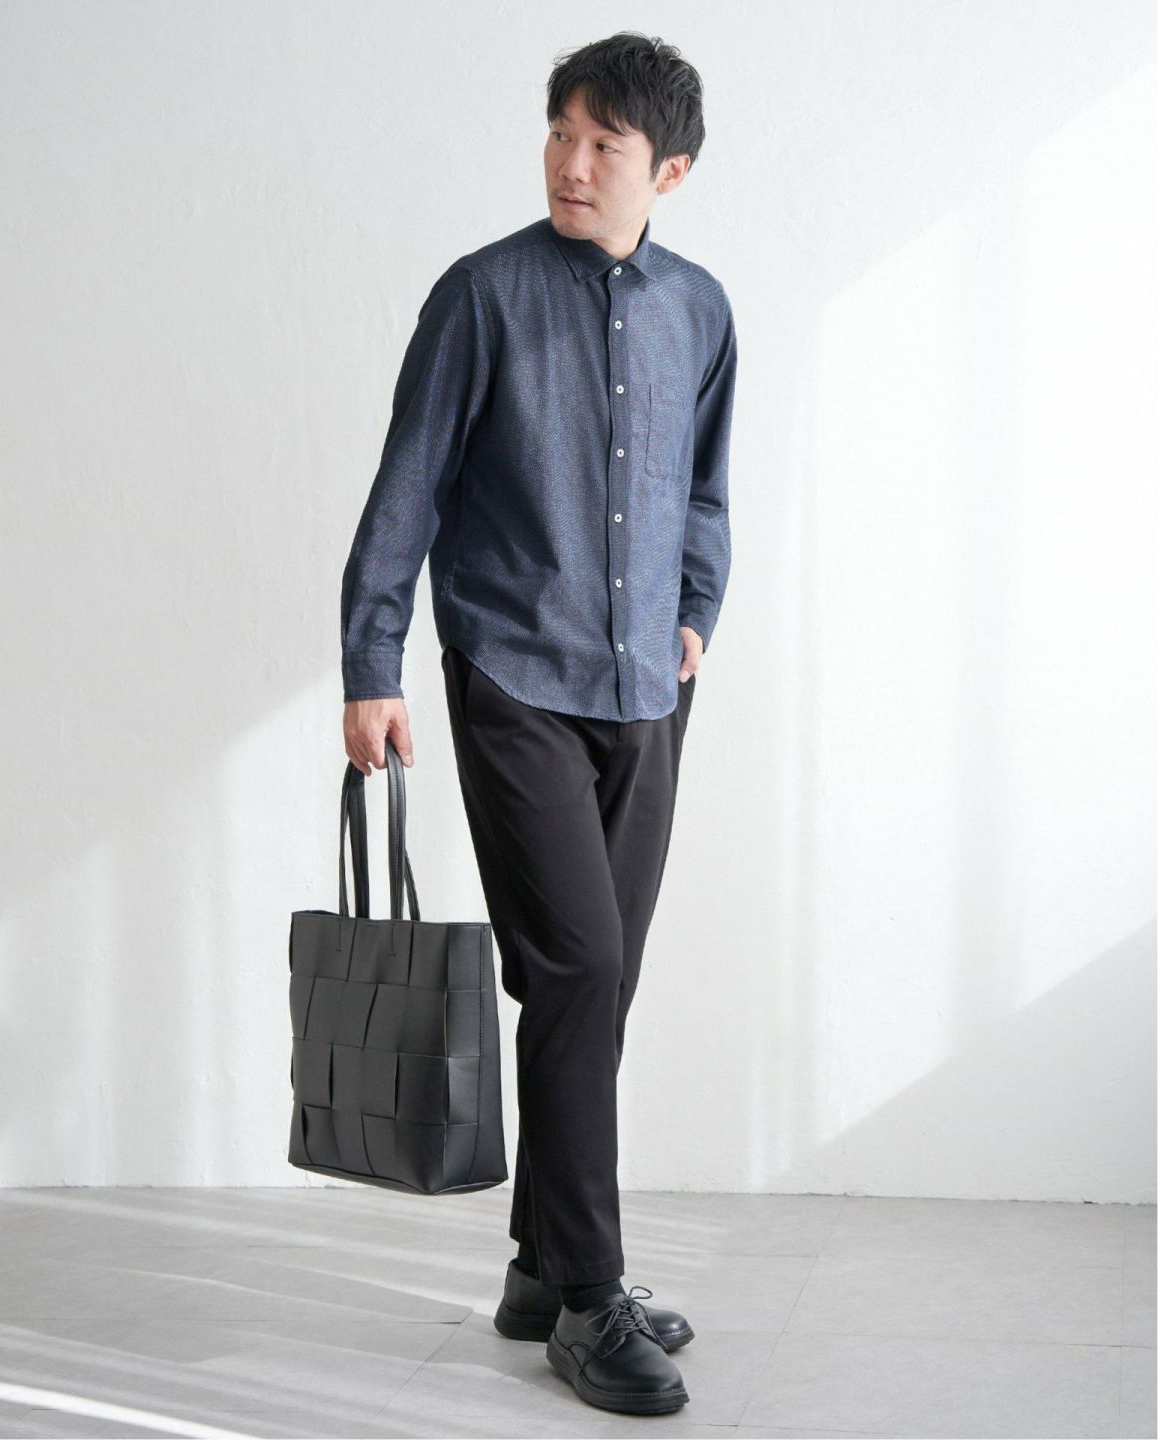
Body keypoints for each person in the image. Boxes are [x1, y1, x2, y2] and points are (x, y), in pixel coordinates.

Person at [339, 30, 736, 1416]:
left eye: (603, 143)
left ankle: (536, 1266)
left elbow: (706, 489)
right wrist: (372, 660)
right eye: (559, 132)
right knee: (576, 966)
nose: (570, 162)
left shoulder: (701, 311)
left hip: (648, 691)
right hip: (513, 676)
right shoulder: (482, 296)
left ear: (666, 170)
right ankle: (588, 1297)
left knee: (596, 985)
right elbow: (409, 482)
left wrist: (699, 609)